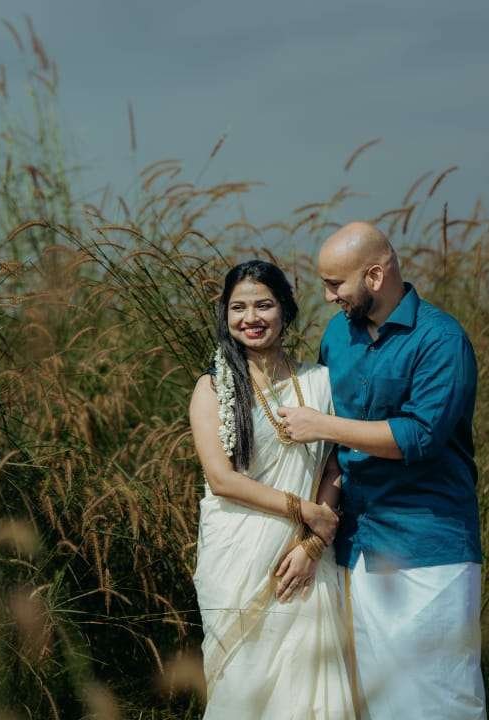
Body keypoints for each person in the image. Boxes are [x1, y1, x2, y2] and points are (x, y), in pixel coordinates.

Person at [277, 222, 487, 719]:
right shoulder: (337, 335)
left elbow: (420, 436)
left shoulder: (440, 339)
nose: (328, 297)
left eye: (335, 284)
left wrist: (322, 425)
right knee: (374, 697)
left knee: (440, 696)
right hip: (357, 545)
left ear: (374, 275)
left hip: (427, 543)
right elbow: (332, 450)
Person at [189, 260, 356, 719]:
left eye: (263, 305)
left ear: (285, 309)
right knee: (242, 686)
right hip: (236, 556)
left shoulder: (319, 381)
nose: (251, 318)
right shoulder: (212, 388)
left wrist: (312, 543)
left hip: (305, 556)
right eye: (238, 308)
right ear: (225, 314)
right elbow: (222, 480)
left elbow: (336, 462)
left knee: (307, 688)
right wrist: (307, 511)